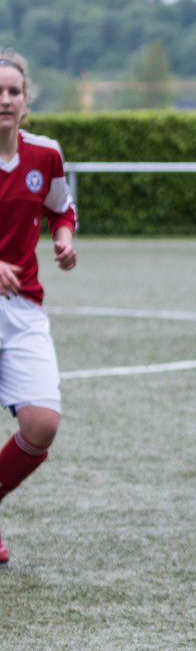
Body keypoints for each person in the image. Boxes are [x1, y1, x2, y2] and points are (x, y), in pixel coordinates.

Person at [0, 49, 77, 565]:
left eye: (12, 92)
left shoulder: (45, 155)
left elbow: (59, 207)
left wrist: (65, 238)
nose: (4, 100)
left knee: (42, 423)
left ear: (26, 102)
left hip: (22, 308)